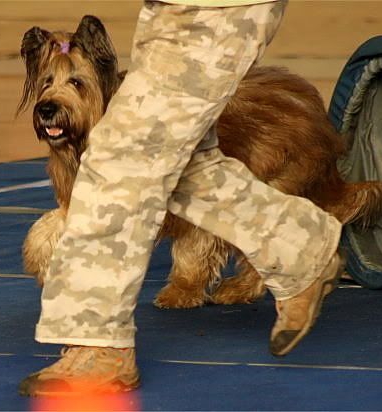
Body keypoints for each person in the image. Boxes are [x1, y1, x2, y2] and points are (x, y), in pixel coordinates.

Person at [20, 0, 344, 396]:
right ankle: (301, 249)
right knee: (184, 164)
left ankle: (100, 346)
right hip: (172, 12)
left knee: (117, 157)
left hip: (212, 10)